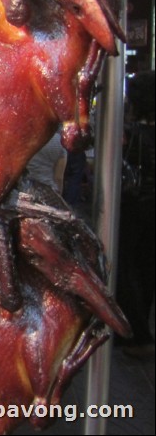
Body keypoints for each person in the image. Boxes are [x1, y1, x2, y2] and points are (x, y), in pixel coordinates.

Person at [116, 71, 155, 358]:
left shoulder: (130, 133)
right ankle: (138, 327)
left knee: (125, 264)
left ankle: (134, 331)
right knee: (146, 266)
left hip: (134, 204)